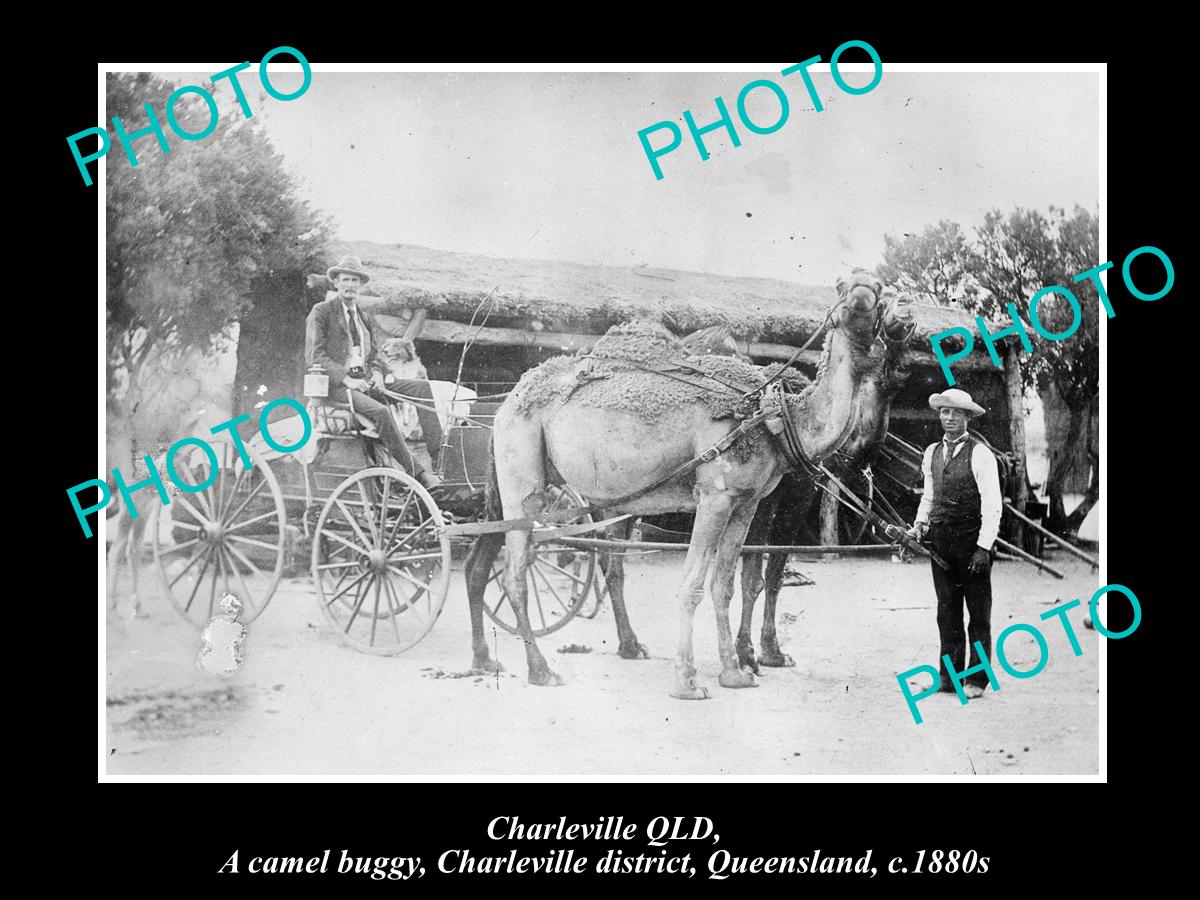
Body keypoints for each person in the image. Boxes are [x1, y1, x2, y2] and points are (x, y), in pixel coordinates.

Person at [305, 255, 445, 491]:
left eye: (355, 281)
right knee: (380, 411)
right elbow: (315, 356)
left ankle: (440, 462)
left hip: (367, 380)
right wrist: (347, 378)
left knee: (422, 388)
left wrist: (379, 374)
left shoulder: (364, 318)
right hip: (336, 387)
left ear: (360, 285)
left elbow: (376, 356)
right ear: (336, 283)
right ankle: (417, 474)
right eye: (346, 279)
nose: (350, 285)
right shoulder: (321, 312)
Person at [906, 388, 1002, 700]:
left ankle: (976, 679)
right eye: (945, 412)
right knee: (946, 611)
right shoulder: (932, 451)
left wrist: (984, 548)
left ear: (967, 417)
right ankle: (948, 678)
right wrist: (920, 524)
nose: (949, 417)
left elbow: (993, 504)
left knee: (978, 614)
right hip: (941, 542)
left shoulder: (980, 454)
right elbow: (929, 496)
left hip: (972, 543)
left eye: (956, 413)